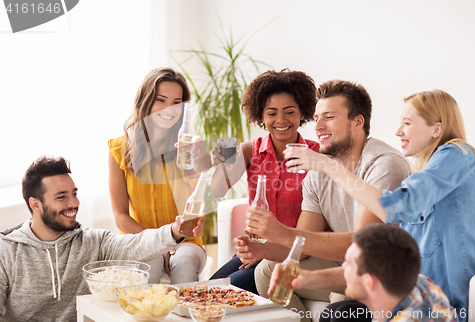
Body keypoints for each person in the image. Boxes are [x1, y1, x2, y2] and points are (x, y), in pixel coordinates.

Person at [283, 89, 475, 322]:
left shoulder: (457, 155)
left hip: (447, 304)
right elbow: (388, 258)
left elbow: (397, 207)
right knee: (340, 312)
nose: (398, 131)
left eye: (407, 123)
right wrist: (302, 278)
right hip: (418, 294)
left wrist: (329, 167)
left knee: (341, 314)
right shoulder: (426, 175)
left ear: (436, 129)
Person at [243, 79, 411, 321]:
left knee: (341, 298)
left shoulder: (384, 164)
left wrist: (281, 233)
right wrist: (263, 248)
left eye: (329, 117)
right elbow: (301, 244)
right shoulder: (318, 170)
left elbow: (361, 246)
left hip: (377, 268)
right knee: (267, 271)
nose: (318, 126)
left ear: (357, 122)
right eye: (317, 117)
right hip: (343, 261)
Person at [0, 156, 204, 321]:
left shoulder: (91, 241)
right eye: (61, 197)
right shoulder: (6, 251)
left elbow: (136, 244)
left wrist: (177, 230)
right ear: (35, 204)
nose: (74, 203)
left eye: (74, 193)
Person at [209, 69, 319, 294]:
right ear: (261, 115)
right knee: (204, 288)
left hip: (292, 253)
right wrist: (225, 160)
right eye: (272, 113)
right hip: (256, 248)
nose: (280, 120)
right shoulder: (249, 151)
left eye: (289, 112)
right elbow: (217, 189)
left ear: (302, 113)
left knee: (222, 293)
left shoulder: (317, 154)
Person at [108, 68, 212, 284]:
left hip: (185, 242)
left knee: (183, 261)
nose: (169, 109)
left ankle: (185, 315)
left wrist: (202, 157)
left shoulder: (186, 147)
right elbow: (121, 216)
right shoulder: (119, 150)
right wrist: (159, 242)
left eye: (176, 102)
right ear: (145, 102)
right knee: (151, 260)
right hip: (139, 239)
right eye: (161, 100)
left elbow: (201, 193)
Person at [268, 224, 456, 322]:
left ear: (369, 282)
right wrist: (305, 278)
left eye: (348, 265)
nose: (342, 269)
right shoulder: (424, 286)